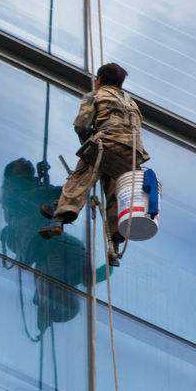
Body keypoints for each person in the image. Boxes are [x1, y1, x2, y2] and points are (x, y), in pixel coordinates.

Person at [39, 63, 149, 265]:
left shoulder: (95, 95)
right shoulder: (132, 103)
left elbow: (81, 124)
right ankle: (114, 245)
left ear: (99, 80)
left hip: (106, 144)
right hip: (132, 156)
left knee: (81, 176)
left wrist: (87, 140)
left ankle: (60, 217)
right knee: (114, 193)